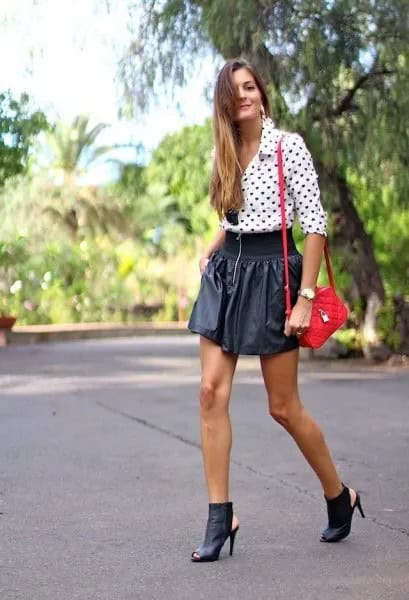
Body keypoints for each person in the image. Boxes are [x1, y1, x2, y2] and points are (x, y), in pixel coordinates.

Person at [187, 58, 365, 563]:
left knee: (282, 407)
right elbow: (235, 215)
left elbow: (314, 224)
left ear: (262, 95)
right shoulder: (222, 152)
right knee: (208, 392)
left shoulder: (288, 147)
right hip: (228, 273)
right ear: (224, 101)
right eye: (234, 89)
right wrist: (212, 244)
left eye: (250, 87)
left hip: (275, 276)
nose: (243, 95)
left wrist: (306, 297)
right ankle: (221, 516)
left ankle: (339, 496)